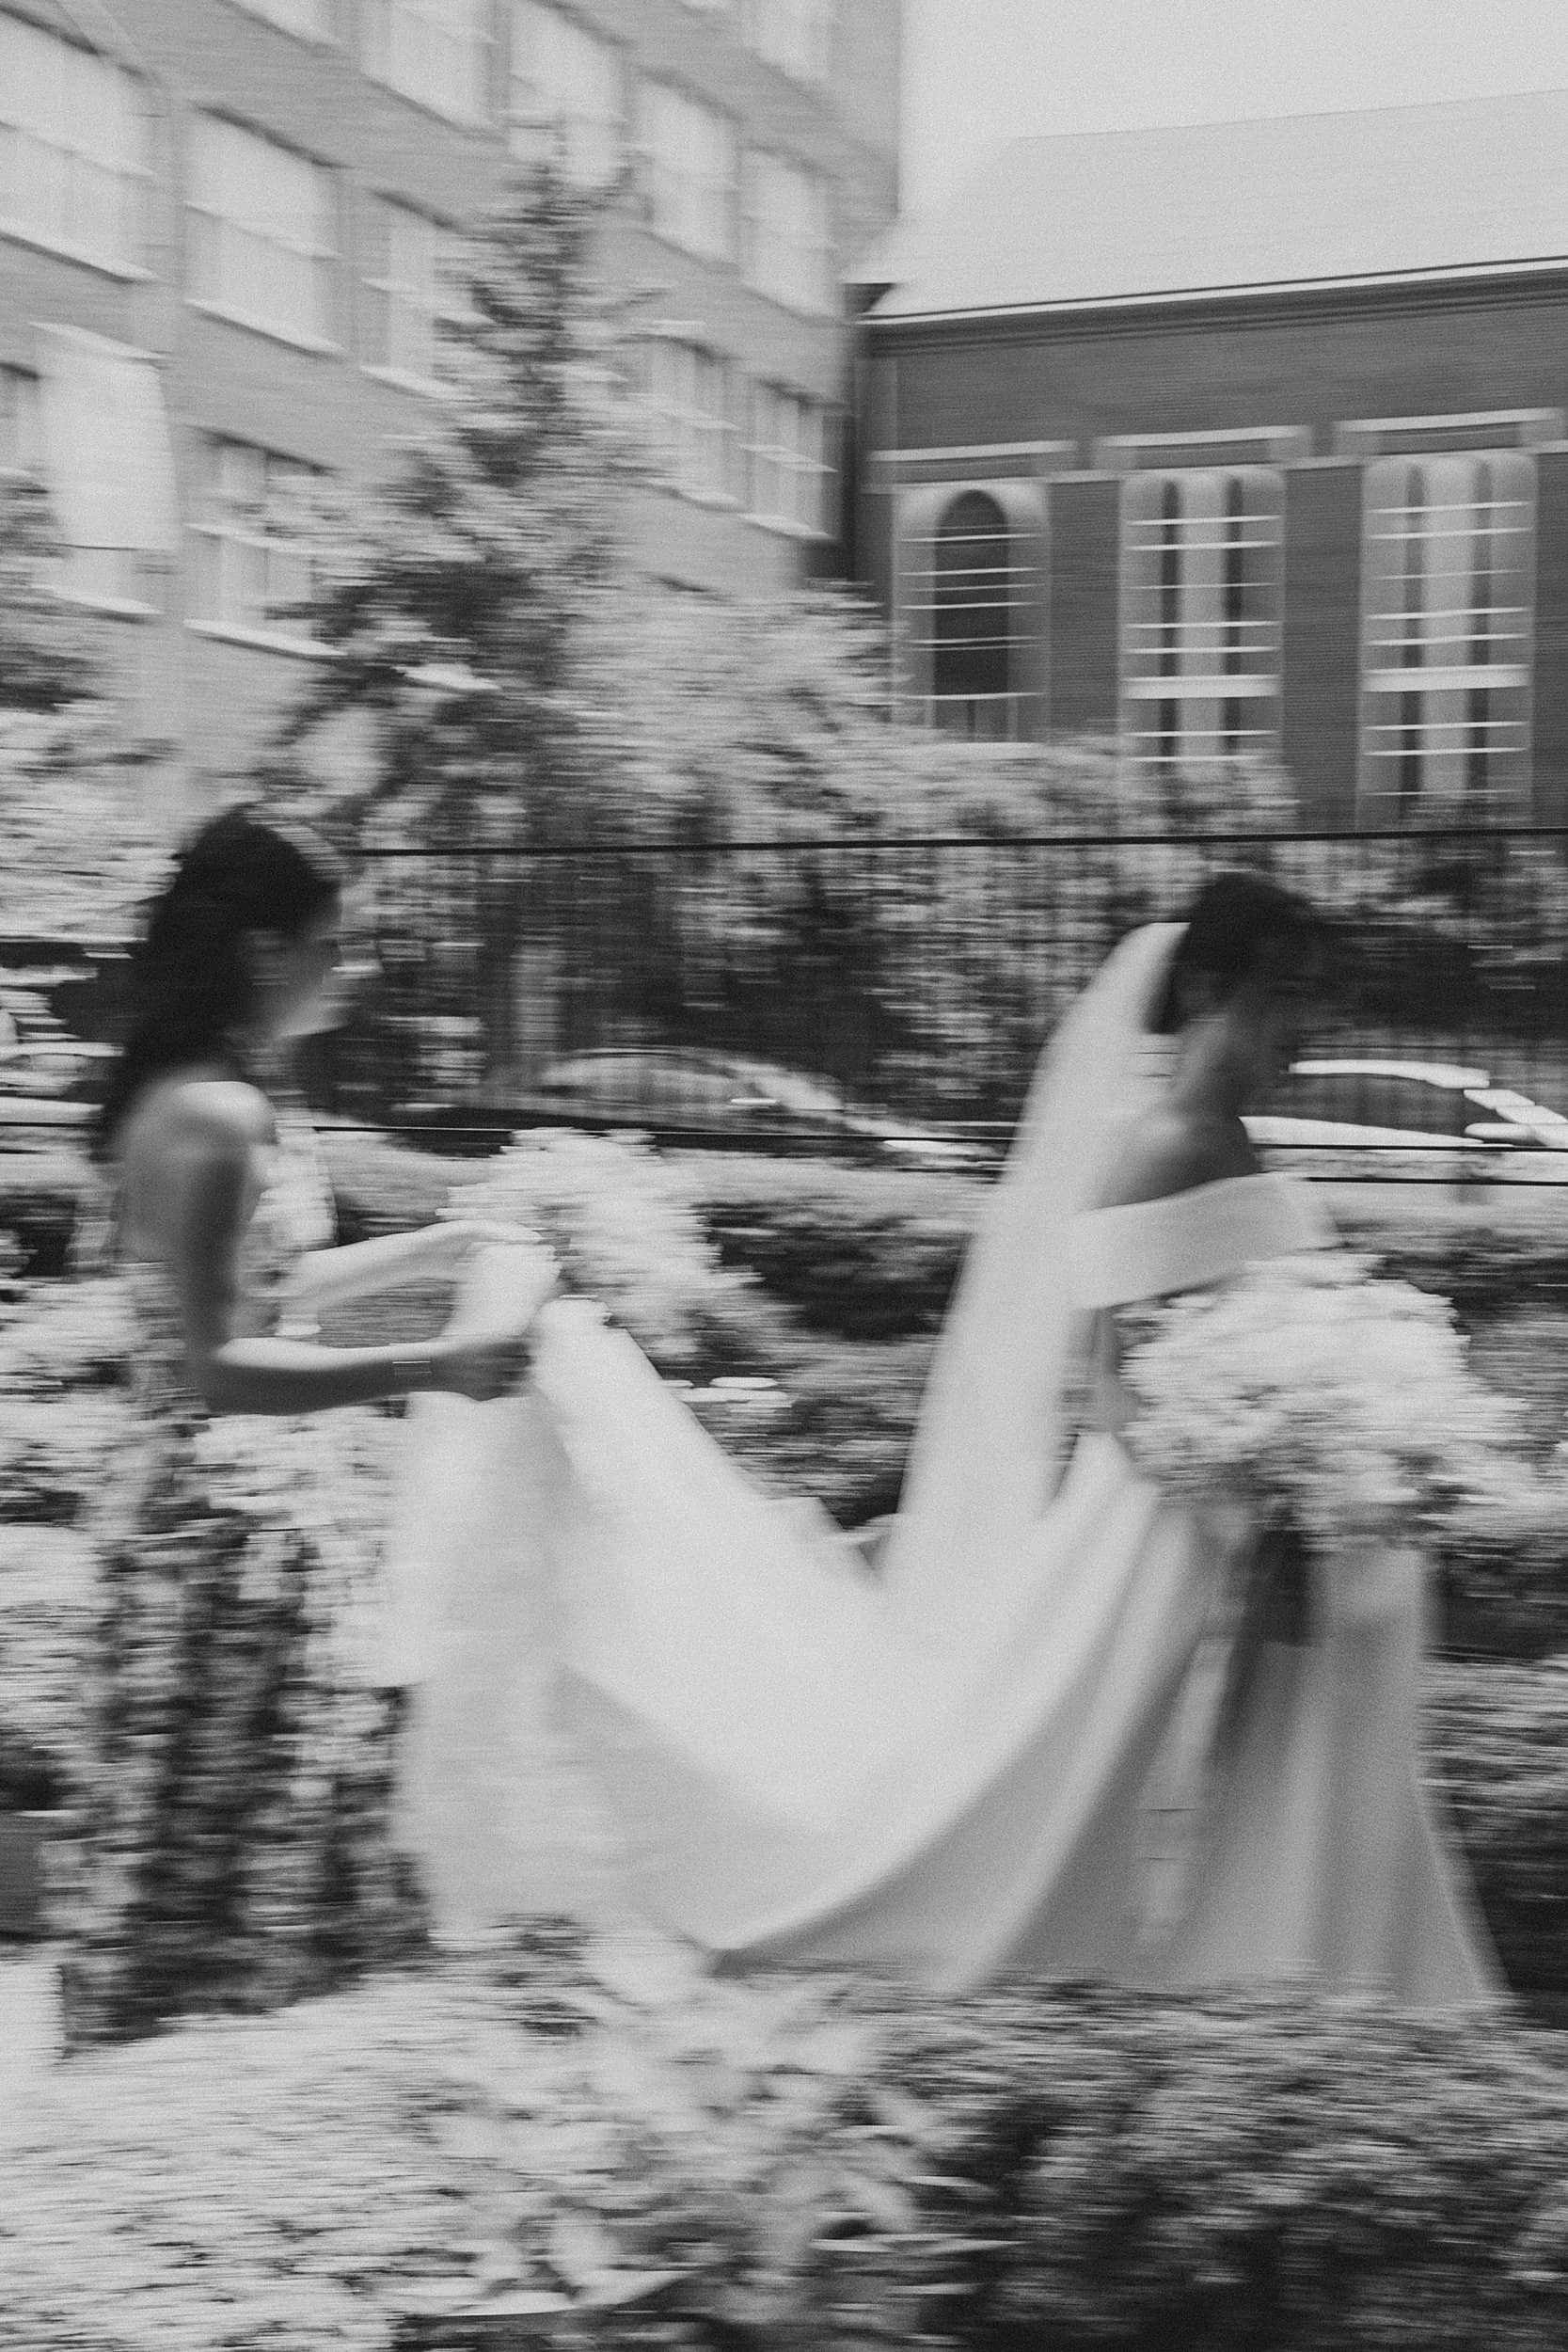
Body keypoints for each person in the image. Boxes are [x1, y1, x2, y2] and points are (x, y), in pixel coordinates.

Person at [390, 874, 1498, 2006]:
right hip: (1172, 1534)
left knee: (1231, 1775)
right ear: (1210, 987)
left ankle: (1292, 1978)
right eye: (1286, 993)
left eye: (1318, 999)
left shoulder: (1223, 1135)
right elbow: (1116, 1380)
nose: (1306, 1027)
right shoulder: (1167, 1141)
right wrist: (1276, 1436)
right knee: (1050, 1795)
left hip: (1238, 1514)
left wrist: (1323, 1419)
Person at [59, 808, 544, 2050]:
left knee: (264, 1867)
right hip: (213, 1550)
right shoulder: (212, 1117)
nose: (357, 967)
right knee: (225, 1881)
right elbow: (218, 1365)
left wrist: (442, 1238)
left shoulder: (226, 1095)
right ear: (268, 952)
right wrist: (439, 1362)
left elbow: (275, 1288)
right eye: (342, 942)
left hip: (246, 1537)